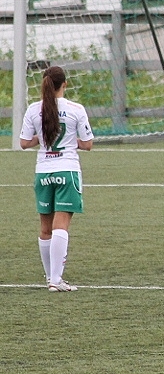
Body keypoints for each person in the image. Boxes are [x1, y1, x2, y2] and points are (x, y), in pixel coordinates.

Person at [20, 66, 94, 292]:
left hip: (43, 172)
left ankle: (50, 278)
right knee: (61, 225)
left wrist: (40, 139)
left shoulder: (34, 109)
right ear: (64, 84)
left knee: (45, 228)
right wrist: (73, 142)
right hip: (67, 170)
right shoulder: (75, 109)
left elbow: (24, 143)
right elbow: (87, 144)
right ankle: (56, 280)